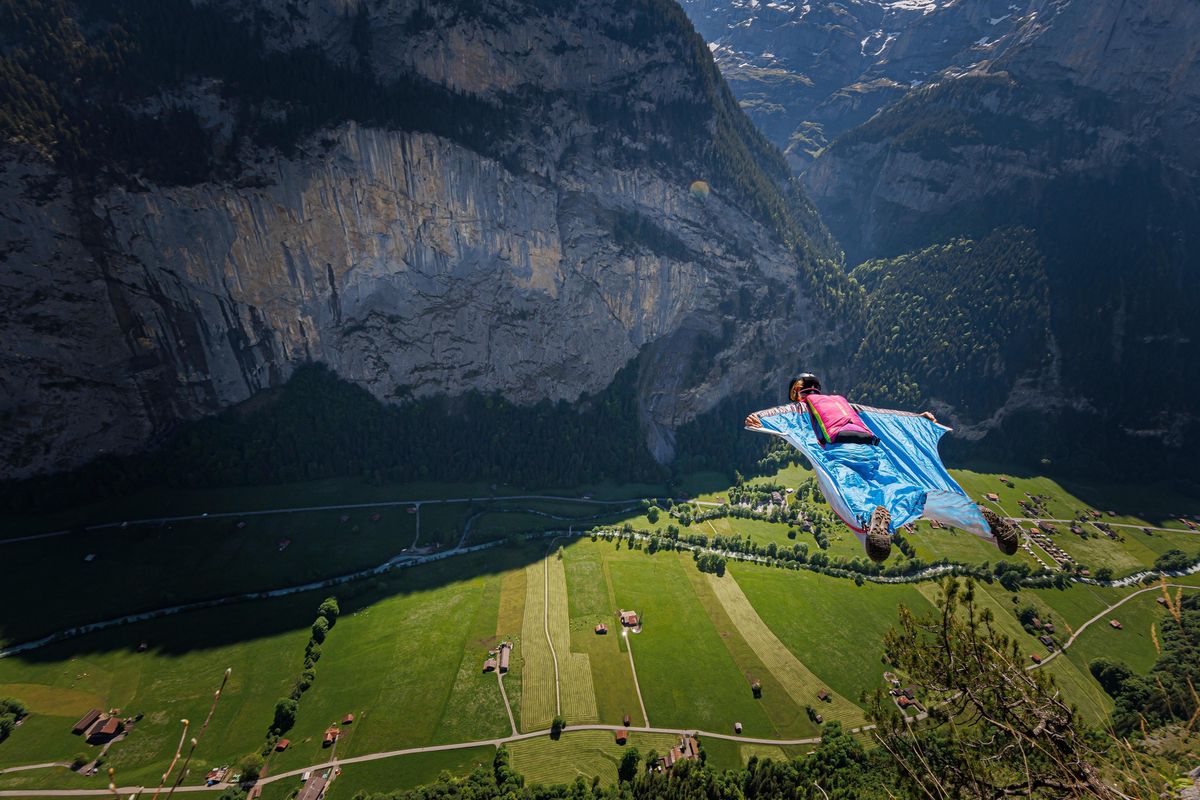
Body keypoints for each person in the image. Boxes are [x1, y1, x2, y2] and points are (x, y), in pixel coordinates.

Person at [745, 374, 1020, 563]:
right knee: (902, 491)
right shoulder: (845, 404)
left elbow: (776, 416)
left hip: (840, 453)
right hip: (874, 452)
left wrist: (757, 420)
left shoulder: (802, 408)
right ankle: (979, 518)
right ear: (818, 388)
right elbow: (883, 414)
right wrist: (919, 419)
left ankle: (871, 518)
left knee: (846, 495)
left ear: (798, 393)